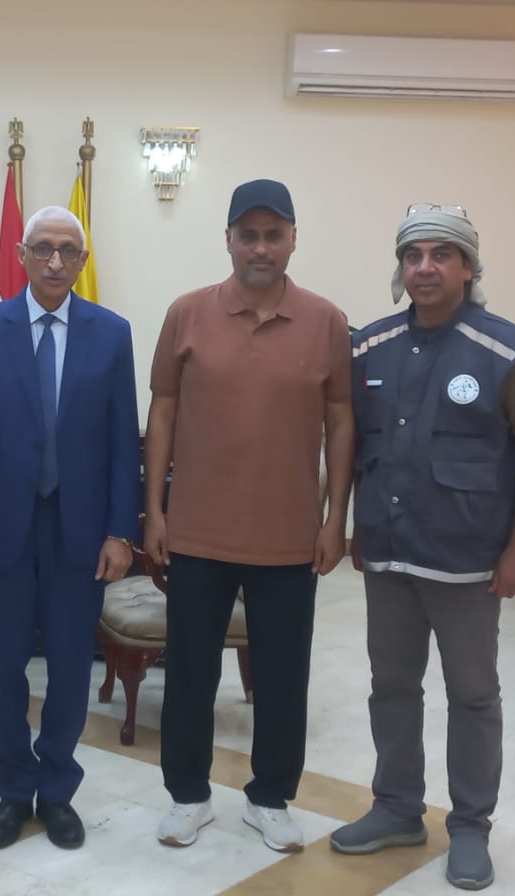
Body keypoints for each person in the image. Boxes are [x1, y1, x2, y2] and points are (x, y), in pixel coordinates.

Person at [329, 204, 515, 891]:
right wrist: (351, 527)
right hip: (389, 551)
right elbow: (354, 442)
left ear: (468, 267)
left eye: (441, 255)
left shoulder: (505, 349)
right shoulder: (370, 347)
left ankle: (471, 826)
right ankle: (397, 807)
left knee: (473, 694)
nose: (424, 268)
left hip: (467, 558)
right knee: (392, 686)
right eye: (412, 255)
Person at [145, 179, 354, 853]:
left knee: (283, 675)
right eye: (248, 235)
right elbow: (163, 411)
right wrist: (154, 509)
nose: (260, 247)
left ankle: (270, 797)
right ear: (229, 240)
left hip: (289, 534)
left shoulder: (326, 320)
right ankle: (188, 795)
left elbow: (341, 421)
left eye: (273, 234)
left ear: (292, 240)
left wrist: (335, 517)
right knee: (190, 672)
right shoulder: (187, 314)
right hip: (197, 530)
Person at [0, 205, 140, 850]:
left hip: (79, 533)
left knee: (70, 668)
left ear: (82, 261)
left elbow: (123, 443)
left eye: (68, 251)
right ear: (23, 255)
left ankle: (56, 790)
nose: (56, 262)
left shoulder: (111, 334)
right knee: (3, 668)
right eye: (44, 249)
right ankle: (12, 790)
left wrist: (120, 532)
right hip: (1, 536)